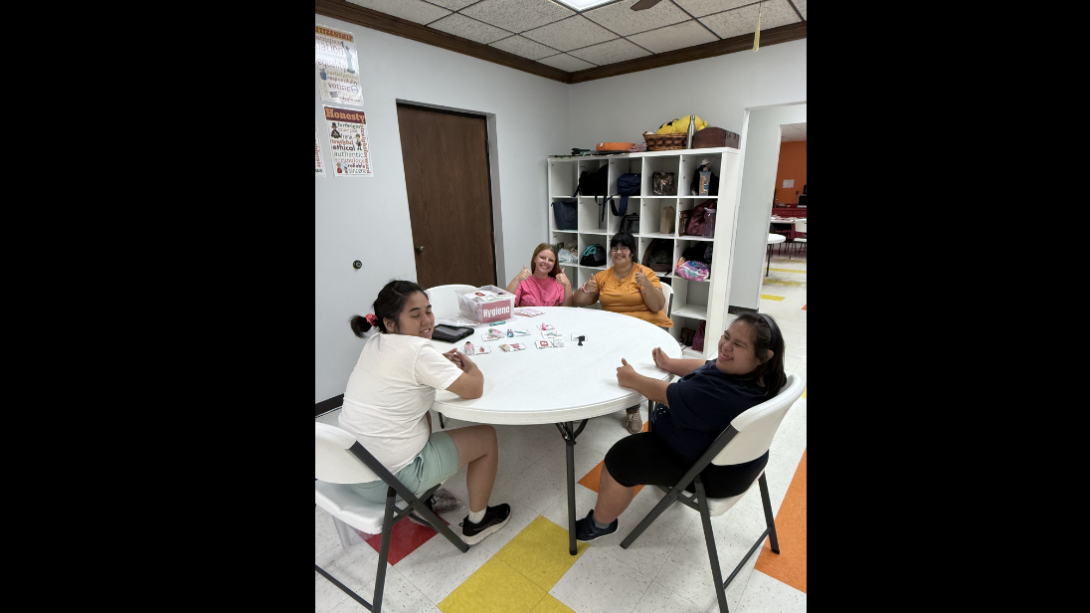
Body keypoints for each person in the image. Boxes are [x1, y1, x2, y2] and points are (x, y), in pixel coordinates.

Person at [573, 313, 786, 541]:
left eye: (738, 344)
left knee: (620, 457)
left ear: (764, 356)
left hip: (712, 474)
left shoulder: (717, 395)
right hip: (739, 462)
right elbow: (707, 365)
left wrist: (632, 378)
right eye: (726, 336)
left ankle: (600, 524)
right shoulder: (763, 376)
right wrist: (669, 364)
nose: (725, 346)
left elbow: (662, 393)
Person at [340, 280, 511, 545]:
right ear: (391, 323)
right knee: (487, 436)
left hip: (351, 470)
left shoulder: (375, 343)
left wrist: (435, 366)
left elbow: (405, 370)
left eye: (428, 311)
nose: (427, 320)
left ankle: (426, 497)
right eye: (415, 314)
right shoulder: (418, 352)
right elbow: (474, 388)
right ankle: (478, 522)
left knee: (422, 415)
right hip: (387, 483)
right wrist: (471, 366)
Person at [572, 232, 672, 432]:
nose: (619, 252)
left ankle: (632, 409)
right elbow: (579, 302)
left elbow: (657, 306)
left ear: (632, 252)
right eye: (615, 248)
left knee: (622, 353)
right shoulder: (603, 276)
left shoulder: (645, 273)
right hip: (613, 329)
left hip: (644, 328)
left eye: (623, 248)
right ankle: (591, 398)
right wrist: (586, 289)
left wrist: (645, 285)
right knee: (583, 348)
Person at [504, 243, 573, 307]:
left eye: (551, 260)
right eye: (542, 257)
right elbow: (505, 304)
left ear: (554, 264)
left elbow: (567, 310)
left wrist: (567, 284)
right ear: (535, 259)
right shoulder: (522, 282)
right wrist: (517, 278)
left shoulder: (559, 284)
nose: (546, 262)